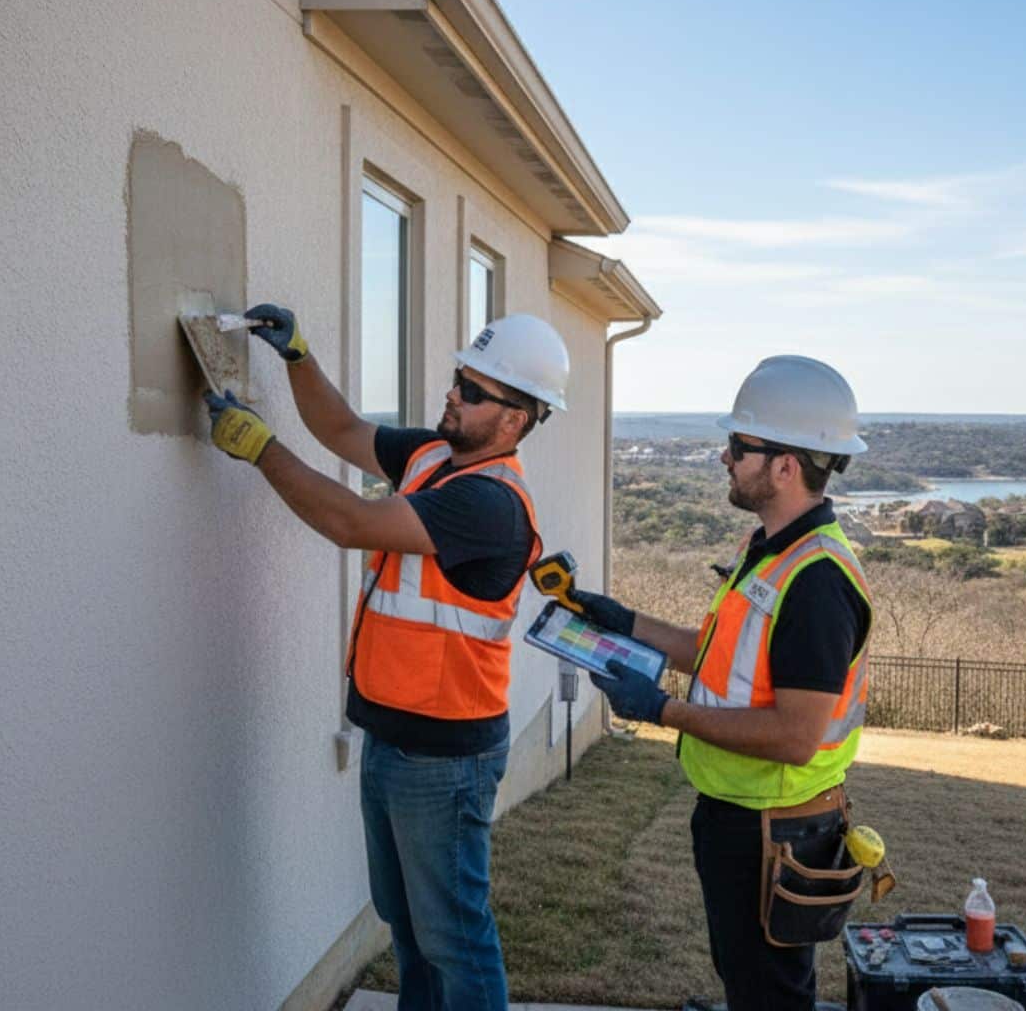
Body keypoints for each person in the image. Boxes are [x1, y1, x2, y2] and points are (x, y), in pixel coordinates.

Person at [201, 304, 571, 1011]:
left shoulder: (489, 504)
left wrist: (260, 449)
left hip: (445, 759)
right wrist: (299, 358)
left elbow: (351, 522)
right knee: (408, 927)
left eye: (473, 390)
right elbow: (341, 430)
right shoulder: (434, 455)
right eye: (459, 378)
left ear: (516, 419)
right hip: (395, 736)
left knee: (455, 938)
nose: (452, 395)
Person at [571, 355, 873, 1011]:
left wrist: (662, 710)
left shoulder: (817, 582)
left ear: (786, 466)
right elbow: (715, 656)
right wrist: (626, 621)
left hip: (775, 826)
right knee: (746, 978)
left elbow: (795, 737)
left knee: (770, 994)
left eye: (739, 446)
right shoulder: (768, 550)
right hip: (743, 816)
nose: (724, 457)